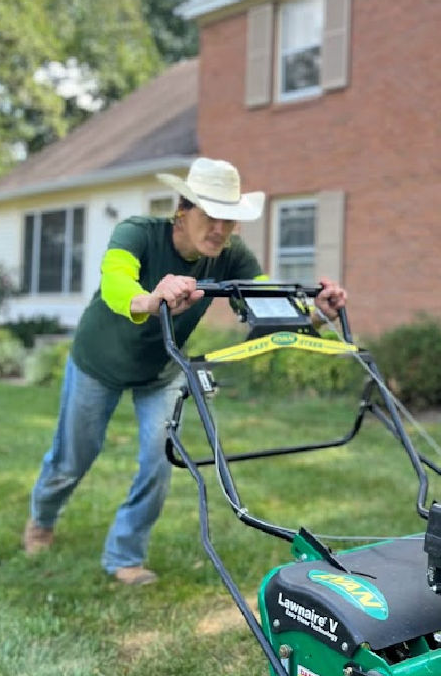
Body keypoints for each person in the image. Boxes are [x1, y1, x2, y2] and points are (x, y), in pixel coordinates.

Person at [23, 157, 347, 585]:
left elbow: (266, 301)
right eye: (211, 216)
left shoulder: (230, 256)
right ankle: (41, 520)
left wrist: (317, 314)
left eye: (229, 220)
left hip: (161, 369)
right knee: (72, 459)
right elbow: (116, 283)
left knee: (159, 461)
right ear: (183, 208)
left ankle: (124, 556)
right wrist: (151, 297)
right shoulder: (136, 233)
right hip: (98, 362)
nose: (220, 229)